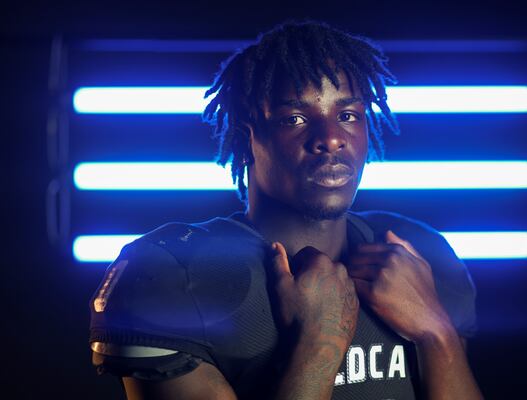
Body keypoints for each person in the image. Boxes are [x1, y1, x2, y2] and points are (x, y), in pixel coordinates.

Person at [89, 20, 483, 399]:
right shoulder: (172, 273)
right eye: (294, 118)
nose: (330, 139)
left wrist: (437, 334)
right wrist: (320, 343)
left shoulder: (420, 254)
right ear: (249, 136)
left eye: (347, 116)